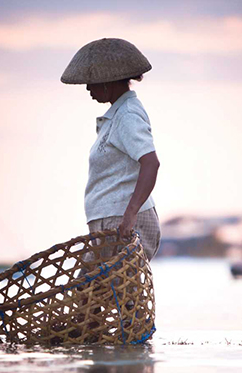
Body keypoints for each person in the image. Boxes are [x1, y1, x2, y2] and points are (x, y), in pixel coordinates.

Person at [61, 38, 161, 261]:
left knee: (109, 291)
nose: (88, 88)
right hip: (111, 220)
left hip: (122, 221)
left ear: (108, 82)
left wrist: (130, 213)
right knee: (89, 291)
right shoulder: (117, 115)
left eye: (92, 82)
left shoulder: (127, 116)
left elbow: (151, 163)